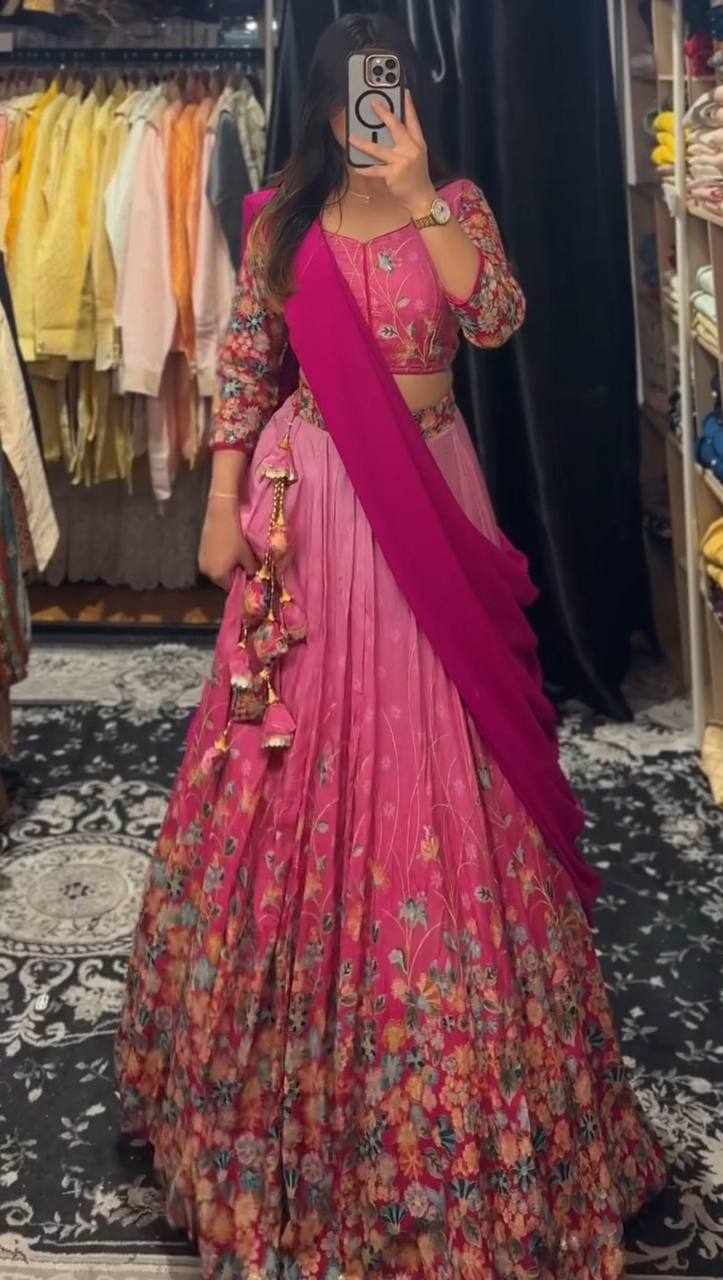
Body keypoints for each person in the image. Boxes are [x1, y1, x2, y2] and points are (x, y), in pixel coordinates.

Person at [116, 14, 668, 1280]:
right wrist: (219, 505)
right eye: (357, 94)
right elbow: (243, 366)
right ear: (323, 104)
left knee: (452, 773)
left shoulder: (454, 206)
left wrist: (423, 197)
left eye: (395, 91)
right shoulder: (281, 221)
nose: (376, 110)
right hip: (314, 502)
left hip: (431, 494)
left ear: (412, 99)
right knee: (289, 772)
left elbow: (500, 319)